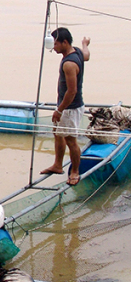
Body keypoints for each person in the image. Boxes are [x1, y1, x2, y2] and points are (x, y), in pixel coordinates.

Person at [40, 28, 91, 185]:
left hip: (70, 107)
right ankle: (57, 164)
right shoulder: (77, 51)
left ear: (65, 42)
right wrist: (85, 44)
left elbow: (72, 91)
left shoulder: (69, 64)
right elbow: (87, 55)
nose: (53, 48)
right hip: (66, 105)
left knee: (71, 140)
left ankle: (75, 171)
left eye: (55, 44)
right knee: (57, 133)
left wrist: (59, 110)